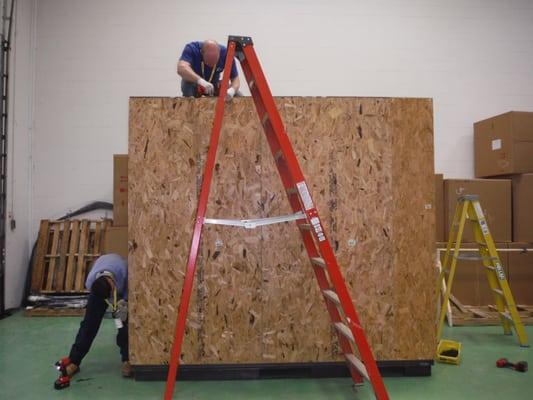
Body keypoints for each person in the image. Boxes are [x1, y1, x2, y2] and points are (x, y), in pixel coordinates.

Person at [59, 253, 130, 379]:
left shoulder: (124, 270)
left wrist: (123, 303)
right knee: (88, 326)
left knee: (123, 325)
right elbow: (91, 320)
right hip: (101, 291)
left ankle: (127, 359)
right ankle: (74, 360)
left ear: (111, 283)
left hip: (120, 292)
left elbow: (128, 292)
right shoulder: (91, 282)